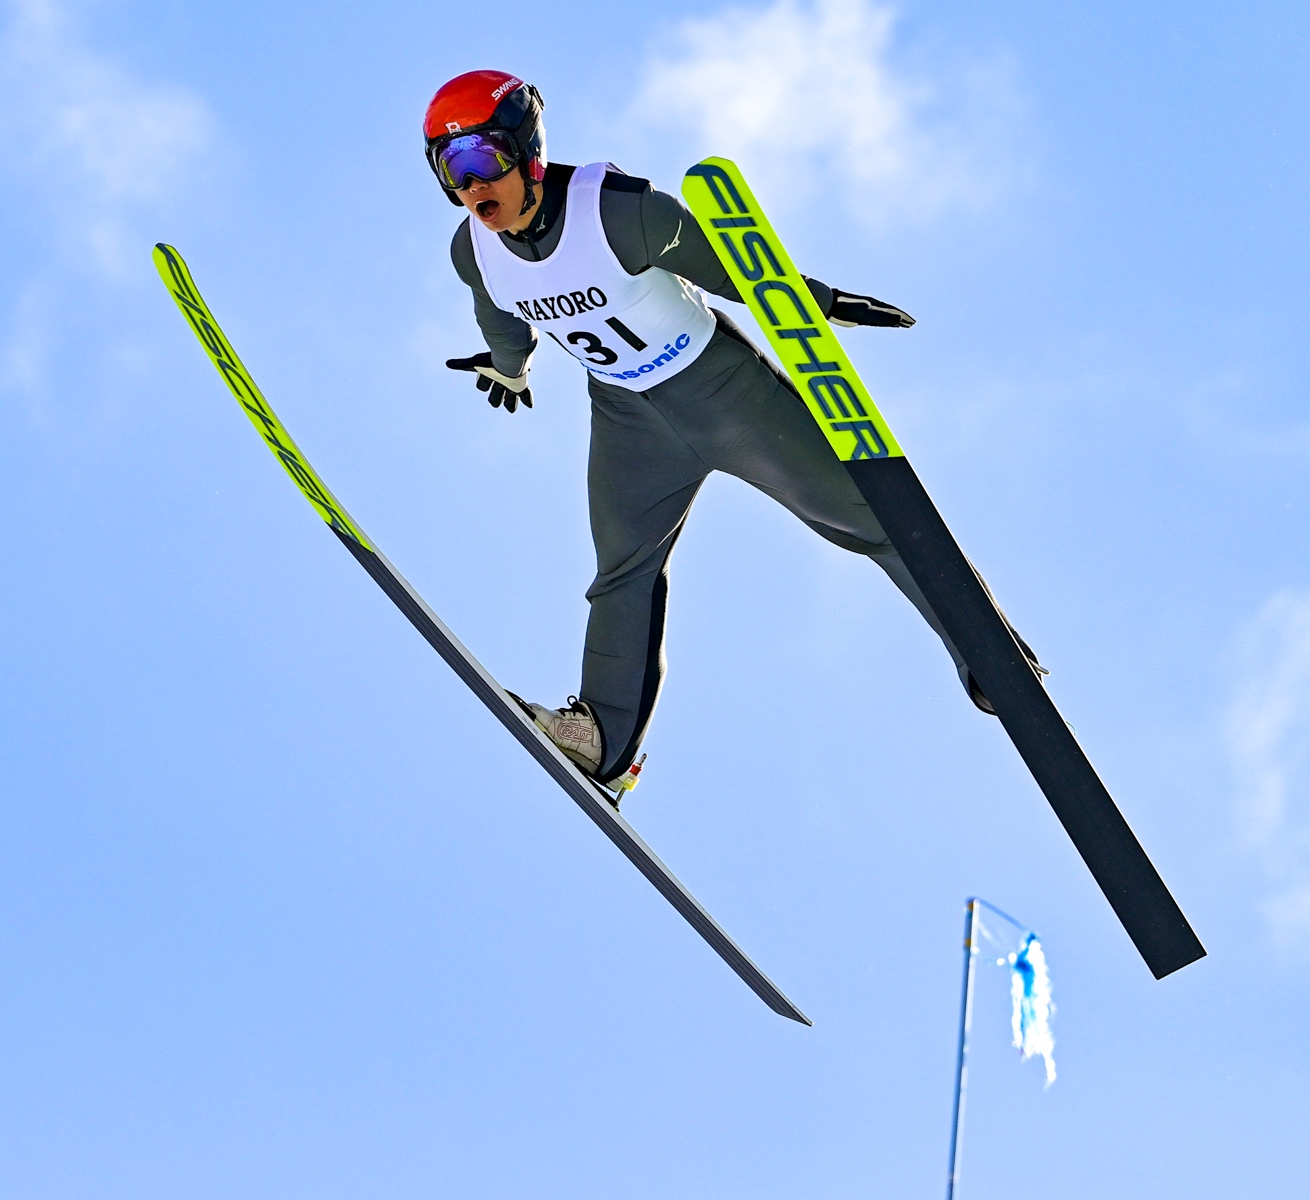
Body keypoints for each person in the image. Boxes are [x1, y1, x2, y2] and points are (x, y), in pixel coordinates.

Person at [429, 69, 1013, 798]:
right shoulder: (474, 251)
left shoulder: (617, 212)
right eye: (449, 169)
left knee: (873, 521)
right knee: (622, 571)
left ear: (528, 149)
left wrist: (823, 301)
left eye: (482, 159)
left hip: (722, 391)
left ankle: (990, 655)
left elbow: (730, 265)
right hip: (627, 418)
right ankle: (604, 739)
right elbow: (500, 312)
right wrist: (510, 367)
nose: (470, 186)